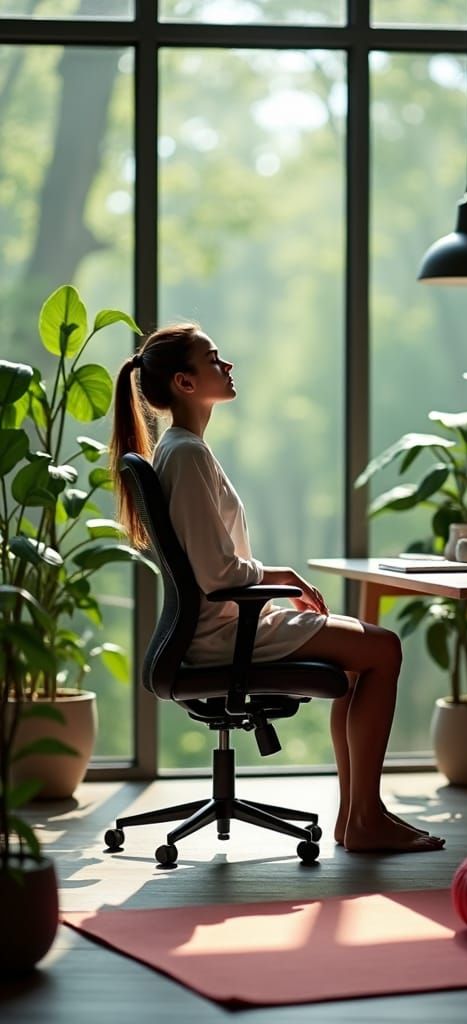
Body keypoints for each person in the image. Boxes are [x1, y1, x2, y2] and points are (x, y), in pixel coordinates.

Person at [110, 323, 445, 854]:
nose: (227, 365)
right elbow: (218, 575)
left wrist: (272, 577)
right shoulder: (186, 454)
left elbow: (213, 566)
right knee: (383, 649)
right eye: (213, 358)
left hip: (225, 623)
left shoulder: (184, 449)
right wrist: (279, 576)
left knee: (366, 654)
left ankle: (360, 817)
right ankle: (363, 818)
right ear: (184, 383)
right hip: (224, 632)